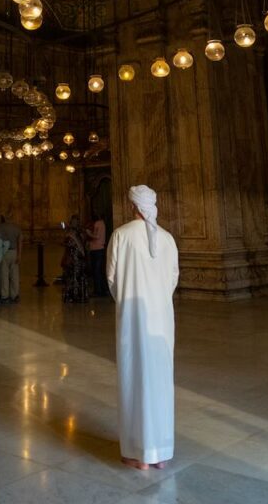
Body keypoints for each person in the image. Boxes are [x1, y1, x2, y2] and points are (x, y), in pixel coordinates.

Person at [107, 185, 179, 471]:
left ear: (131, 206)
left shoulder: (121, 235)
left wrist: (126, 300)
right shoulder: (168, 239)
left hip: (132, 320)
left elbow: (111, 278)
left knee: (133, 378)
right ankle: (161, 452)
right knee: (161, 381)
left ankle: (137, 452)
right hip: (161, 321)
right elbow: (173, 279)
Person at [62, 215, 89, 303]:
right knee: (75, 276)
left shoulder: (76, 232)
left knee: (76, 276)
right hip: (75, 259)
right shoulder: (77, 232)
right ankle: (76, 295)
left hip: (77, 258)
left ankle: (75, 296)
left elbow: (67, 244)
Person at [0, 210, 22, 304]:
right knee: (15, 275)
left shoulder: (1, 228)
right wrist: (19, 254)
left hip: (4, 252)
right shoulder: (16, 228)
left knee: (4, 274)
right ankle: (15, 295)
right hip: (14, 252)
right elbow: (20, 241)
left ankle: (4, 295)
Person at [86, 211, 108, 296]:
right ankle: (103, 290)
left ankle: (98, 291)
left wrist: (88, 233)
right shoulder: (103, 223)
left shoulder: (98, 224)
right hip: (101, 248)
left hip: (96, 249)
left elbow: (97, 236)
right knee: (100, 271)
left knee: (96, 271)